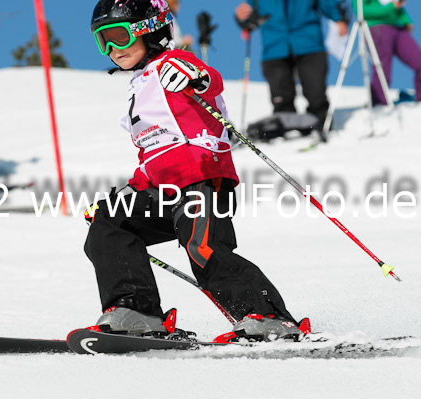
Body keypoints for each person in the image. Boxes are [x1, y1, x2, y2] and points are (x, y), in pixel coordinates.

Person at [85, 0, 310, 342]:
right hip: (162, 189)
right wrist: (130, 190)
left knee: (202, 248)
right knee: (110, 223)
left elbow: (210, 82)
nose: (113, 49)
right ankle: (135, 311)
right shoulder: (139, 88)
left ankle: (266, 317)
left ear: (150, 29)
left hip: (200, 179)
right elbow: (152, 152)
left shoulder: (172, 62)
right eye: (103, 42)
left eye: (118, 36)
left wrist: (196, 77)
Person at [235, 0, 350, 132]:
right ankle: (285, 128)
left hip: (309, 43)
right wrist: (241, 17)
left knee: (315, 90)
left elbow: (327, 3)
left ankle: (320, 124)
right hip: (275, 47)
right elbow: (249, 15)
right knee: (281, 94)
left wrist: (339, 19)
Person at [353, 0, 421, 105]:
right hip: (377, 26)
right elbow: (361, 10)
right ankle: (378, 100)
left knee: (418, 60)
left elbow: (398, 7)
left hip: (398, 28)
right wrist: (390, 7)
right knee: (382, 66)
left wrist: (406, 20)